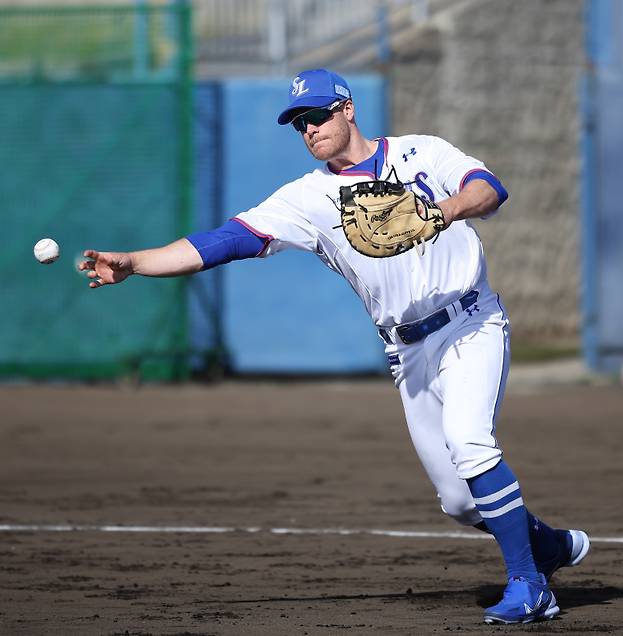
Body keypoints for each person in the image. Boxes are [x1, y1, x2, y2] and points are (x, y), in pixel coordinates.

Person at [79, 68, 589, 624]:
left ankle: (530, 585)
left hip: (470, 324)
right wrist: (136, 262)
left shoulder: (422, 153)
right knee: (460, 501)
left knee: (471, 444)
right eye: (299, 122)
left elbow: (490, 188)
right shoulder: (309, 198)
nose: (309, 128)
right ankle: (548, 546)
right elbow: (225, 241)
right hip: (408, 353)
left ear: (347, 109)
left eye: (318, 115)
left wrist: (440, 211)